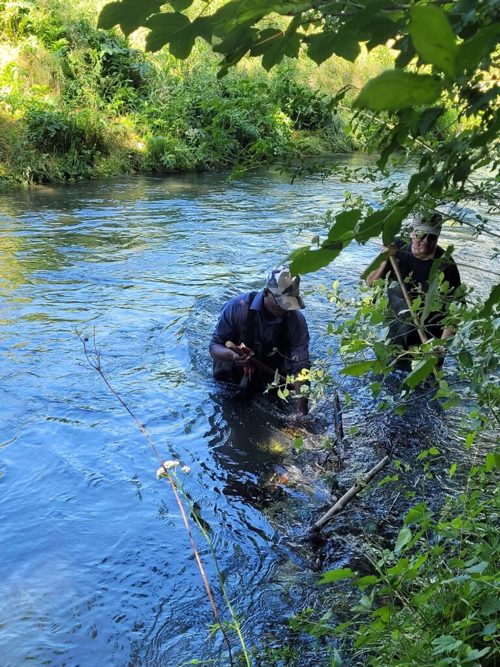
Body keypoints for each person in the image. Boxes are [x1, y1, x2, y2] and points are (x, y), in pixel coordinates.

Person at [209, 266, 311, 415]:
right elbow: (214, 347)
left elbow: (301, 366)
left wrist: (301, 411)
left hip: (273, 374)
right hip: (234, 373)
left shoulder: (296, 321)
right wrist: (233, 356)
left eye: (290, 303)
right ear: (266, 293)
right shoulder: (236, 308)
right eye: (281, 302)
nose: (285, 308)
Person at [365, 212, 462, 364]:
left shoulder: (446, 265)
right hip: (394, 336)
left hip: (427, 342)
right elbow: (370, 282)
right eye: (420, 235)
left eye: (432, 237)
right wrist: (385, 258)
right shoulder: (397, 247)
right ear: (411, 233)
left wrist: (441, 347)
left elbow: (455, 312)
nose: (425, 241)